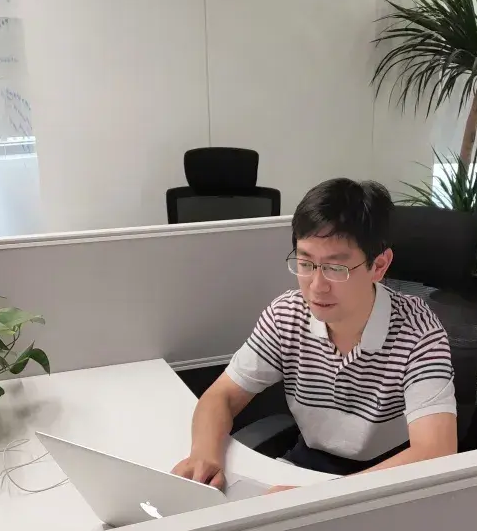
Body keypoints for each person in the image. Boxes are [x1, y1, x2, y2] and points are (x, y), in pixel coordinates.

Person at [172, 178, 458, 493]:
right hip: (308, 466)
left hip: (390, 477)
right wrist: (204, 455)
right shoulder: (287, 315)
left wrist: (319, 499)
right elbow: (222, 396)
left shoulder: (419, 331)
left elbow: (436, 450)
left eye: (336, 269)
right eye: (306, 263)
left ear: (378, 266)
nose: (317, 286)